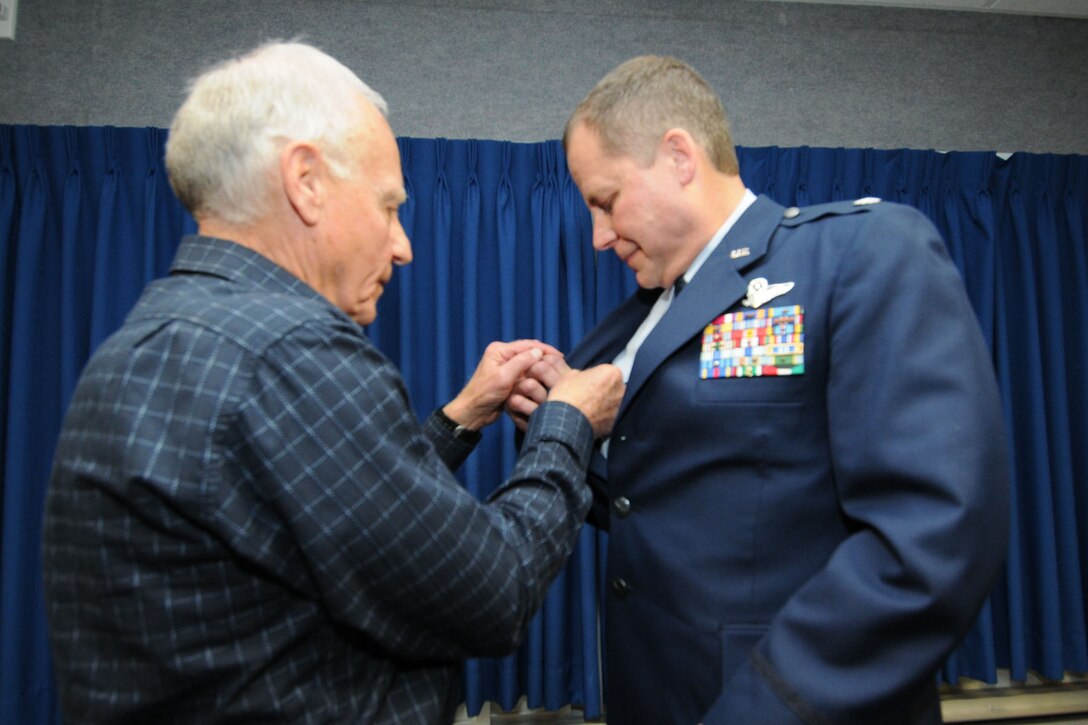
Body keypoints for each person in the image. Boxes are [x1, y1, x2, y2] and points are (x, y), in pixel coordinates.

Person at [41, 41, 624, 724]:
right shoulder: (292, 351)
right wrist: (568, 423)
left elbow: (317, 512)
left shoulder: (155, 336)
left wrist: (462, 416)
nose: (403, 244)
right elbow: (491, 591)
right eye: (387, 207)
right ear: (306, 182)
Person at [510, 55, 1011, 724]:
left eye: (606, 201)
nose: (599, 236)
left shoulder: (858, 254)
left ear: (679, 157)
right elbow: (658, 503)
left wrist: (768, 705)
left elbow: (932, 535)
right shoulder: (640, 318)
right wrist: (560, 429)